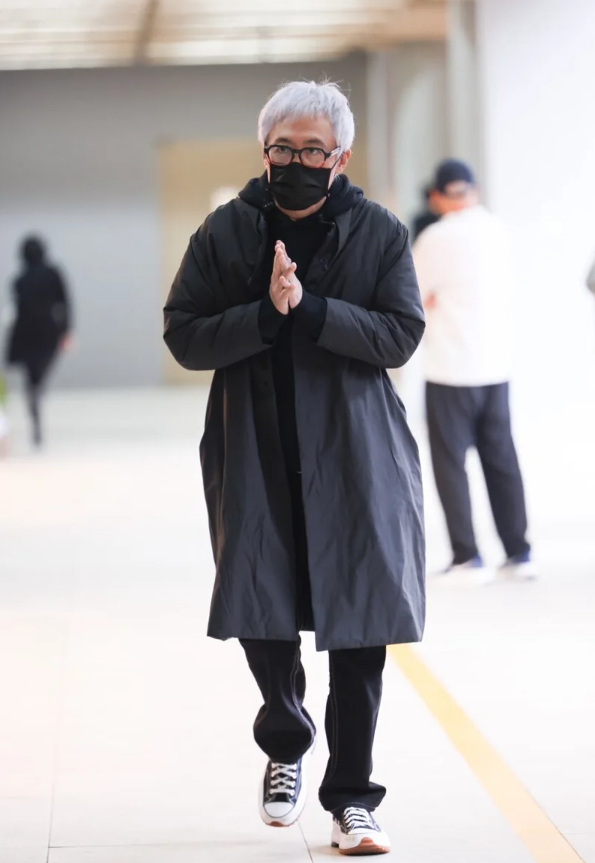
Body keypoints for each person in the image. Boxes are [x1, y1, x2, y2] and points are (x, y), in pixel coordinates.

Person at [164, 80, 425, 856]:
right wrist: (264, 313)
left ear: (340, 156)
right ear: (264, 150)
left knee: (361, 622)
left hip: (355, 452)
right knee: (262, 603)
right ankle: (286, 740)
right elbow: (184, 333)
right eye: (283, 148)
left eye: (313, 150)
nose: (296, 162)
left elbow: (399, 334)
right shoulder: (225, 230)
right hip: (255, 444)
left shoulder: (378, 232)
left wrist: (309, 309)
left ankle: (352, 797)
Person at [413, 158, 536, 581]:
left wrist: (433, 300)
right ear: (475, 190)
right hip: (495, 365)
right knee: (502, 460)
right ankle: (519, 553)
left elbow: (411, 293)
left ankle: (467, 557)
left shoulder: (435, 238)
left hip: (450, 367)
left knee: (450, 464)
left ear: (437, 196)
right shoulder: (499, 230)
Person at [5, 236, 72, 447]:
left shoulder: (19, 280)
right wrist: (66, 330)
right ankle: (36, 395)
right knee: (39, 373)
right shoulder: (53, 274)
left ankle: (34, 405)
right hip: (47, 331)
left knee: (31, 376)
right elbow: (65, 303)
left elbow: (17, 309)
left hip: (25, 333)